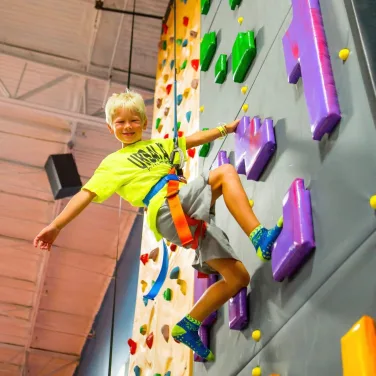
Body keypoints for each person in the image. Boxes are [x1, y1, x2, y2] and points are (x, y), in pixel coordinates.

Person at [33, 90, 283, 361]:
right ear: (110, 127)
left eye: (134, 120)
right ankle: (258, 235)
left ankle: (187, 325)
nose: (128, 126)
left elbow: (189, 141)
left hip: (181, 211)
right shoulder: (112, 165)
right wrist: (57, 225)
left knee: (238, 278)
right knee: (225, 174)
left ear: (143, 121)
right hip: (165, 208)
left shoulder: (157, 145)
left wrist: (226, 129)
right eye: (120, 122)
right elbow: (85, 194)